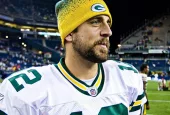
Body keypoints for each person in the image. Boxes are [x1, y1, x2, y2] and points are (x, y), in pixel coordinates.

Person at [0, 0, 146, 114]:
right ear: (69, 33)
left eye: (108, 23)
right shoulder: (22, 91)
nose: (108, 31)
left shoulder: (128, 77)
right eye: (95, 22)